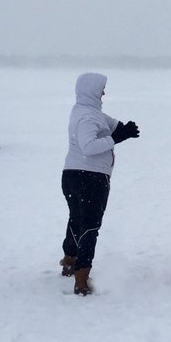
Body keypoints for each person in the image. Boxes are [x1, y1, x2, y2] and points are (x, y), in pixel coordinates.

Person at [61, 72, 140, 295]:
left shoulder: (84, 111)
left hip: (73, 176)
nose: (104, 92)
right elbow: (88, 146)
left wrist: (125, 128)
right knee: (90, 226)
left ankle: (69, 260)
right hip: (90, 178)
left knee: (76, 219)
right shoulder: (88, 117)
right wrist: (117, 138)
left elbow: (110, 123)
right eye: (101, 89)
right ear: (92, 90)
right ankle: (82, 277)